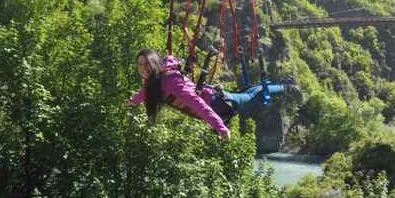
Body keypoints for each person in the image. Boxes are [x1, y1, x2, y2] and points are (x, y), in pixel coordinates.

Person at [128, 49, 299, 141]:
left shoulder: (169, 82)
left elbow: (198, 105)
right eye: (140, 64)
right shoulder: (153, 82)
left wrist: (220, 128)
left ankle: (285, 87)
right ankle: (280, 84)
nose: (142, 68)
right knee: (251, 92)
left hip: (220, 104)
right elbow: (141, 95)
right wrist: (128, 103)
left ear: (155, 64)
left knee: (258, 95)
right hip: (218, 100)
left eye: (146, 64)